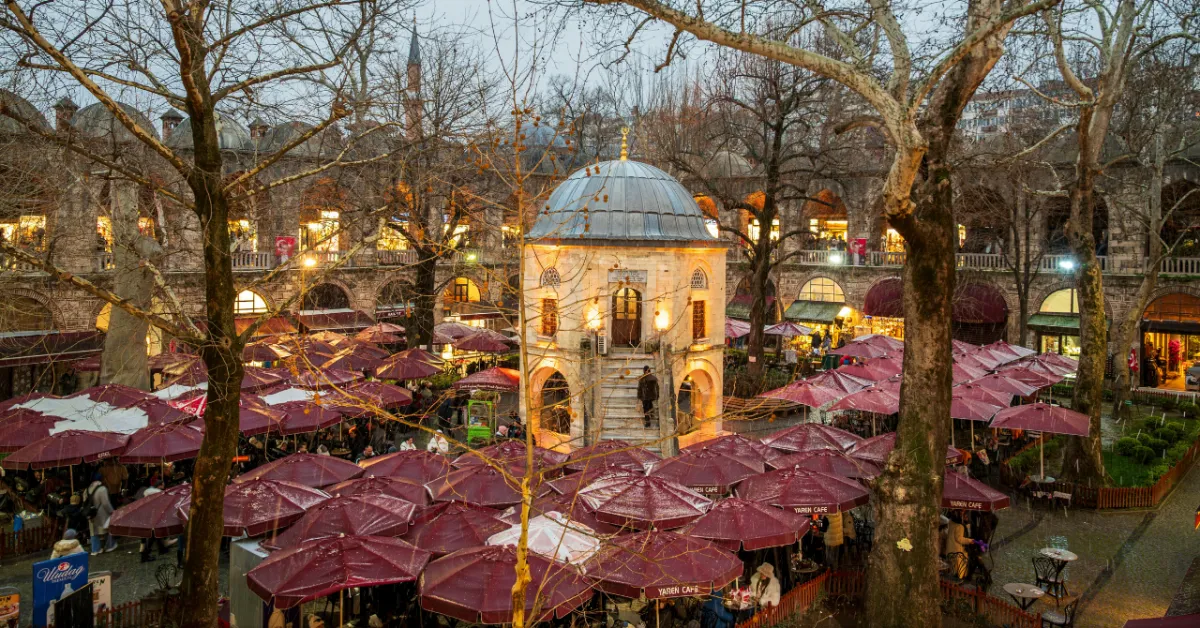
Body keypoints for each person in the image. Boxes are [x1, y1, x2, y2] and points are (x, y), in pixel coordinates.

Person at [85, 473, 117, 554]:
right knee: (107, 528)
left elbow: (85, 501)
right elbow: (105, 503)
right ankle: (110, 546)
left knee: (93, 531)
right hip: (101, 513)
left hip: (91, 514)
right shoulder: (102, 489)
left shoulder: (87, 489)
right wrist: (112, 511)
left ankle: (95, 549)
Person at [943, 512, 974, 578]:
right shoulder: (959, 526)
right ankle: (959, 578)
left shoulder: (951, 523)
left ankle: (952, 576)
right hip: (957, 550)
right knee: (959, 567)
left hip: (950, 548)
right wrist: (970, 541)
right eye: (963, 515)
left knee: (951, 566)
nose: (965, 517)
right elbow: (959, 539)